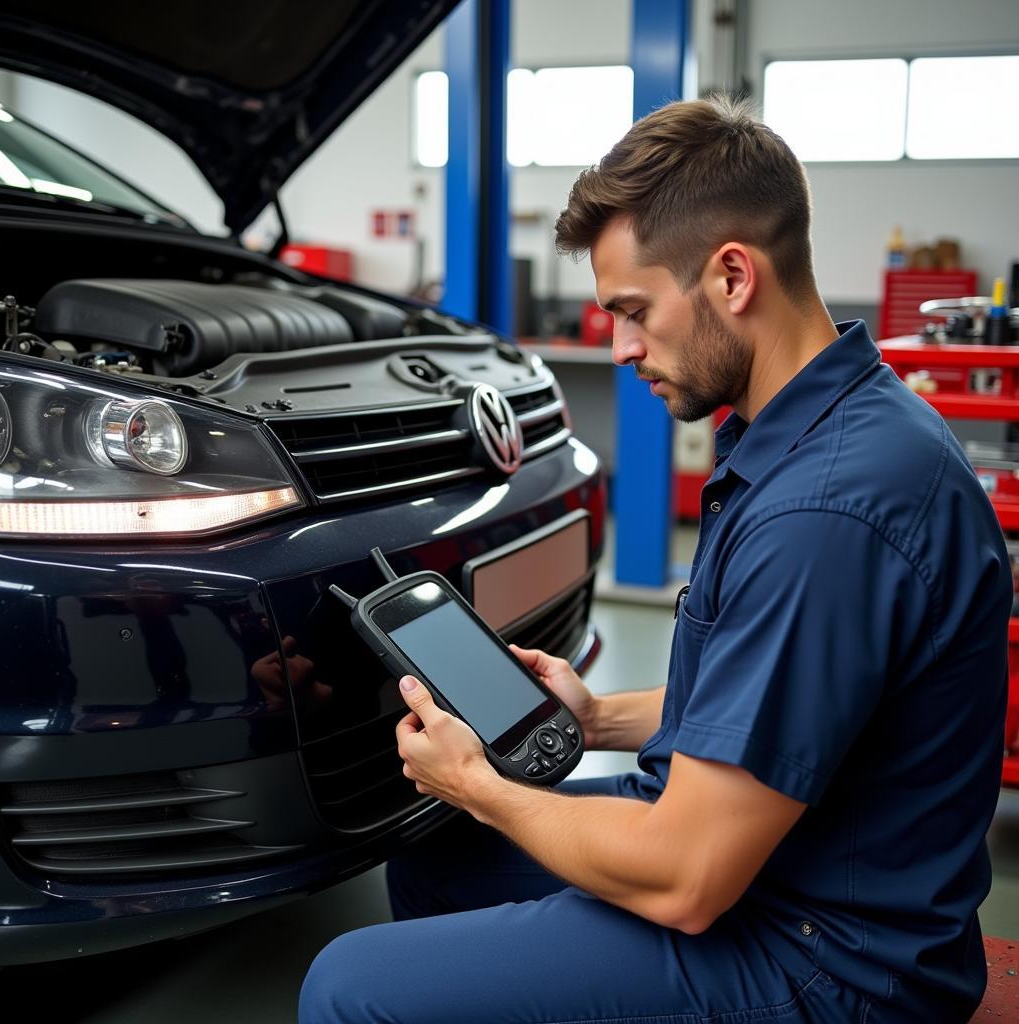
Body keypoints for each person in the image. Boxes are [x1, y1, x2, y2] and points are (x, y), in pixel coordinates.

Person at [299, 95, 1010, 1024]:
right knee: (440, 857)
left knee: (346, 987)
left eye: (634, 311)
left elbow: (687, 880)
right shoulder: (826, 430)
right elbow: (790, 697)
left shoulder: (827, 512)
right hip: (798, 865)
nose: (623, 348)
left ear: (730, 276)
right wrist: (595, 718)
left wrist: (476, 780)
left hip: (828, 956)